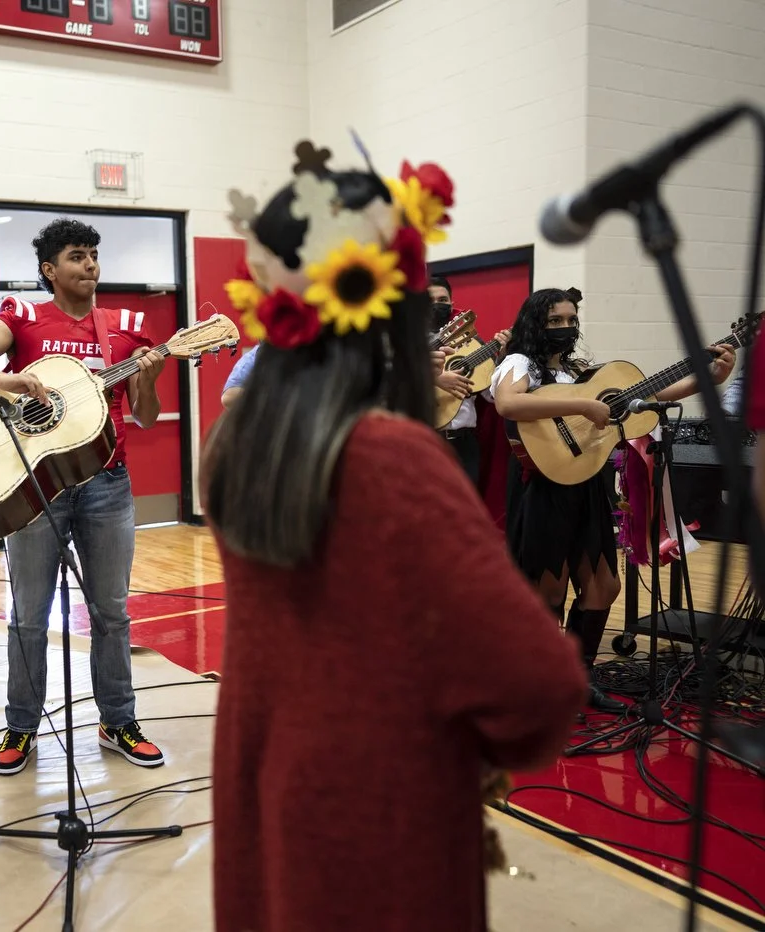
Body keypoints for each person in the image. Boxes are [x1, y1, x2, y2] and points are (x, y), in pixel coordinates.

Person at [206, 143, 586, 932]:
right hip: (377, 828)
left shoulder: (238, 450)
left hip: (274, 799)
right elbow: (538, 690)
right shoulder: (387, 457)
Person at [0, 217, 168, 775]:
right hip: (36, 489)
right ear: (49, 269)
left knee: (111, 612)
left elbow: (144, 415)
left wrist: (151, 376)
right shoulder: (20, 318)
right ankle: (21, 727)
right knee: (29, 617)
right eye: (76, 255)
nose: (89, 263)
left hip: (108, 484)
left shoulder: (127, 325)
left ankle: (118, 720)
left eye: (93, 254)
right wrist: (10, 382)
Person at [493, 287, 735, 712]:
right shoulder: (519, 363)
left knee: (604, 584)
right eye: (555, 321)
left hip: (589, 483)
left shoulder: (579, 371)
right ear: (535, 324)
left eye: (571, 320)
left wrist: (710, 379)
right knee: (548, 590)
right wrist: (586, 406)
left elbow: (653, 395)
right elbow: (509, 405)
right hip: (544, 485)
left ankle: (579, 679)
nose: (565, 328)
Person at [427, 275, 510, 485]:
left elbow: (491, 397)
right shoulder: (406, 343)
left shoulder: (470, 342)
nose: (438, 305)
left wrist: (502, 358)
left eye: (443, 300)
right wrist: (436, 378)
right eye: (430, 300)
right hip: (425, 438)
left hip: (464, 443)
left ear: (452, 303)